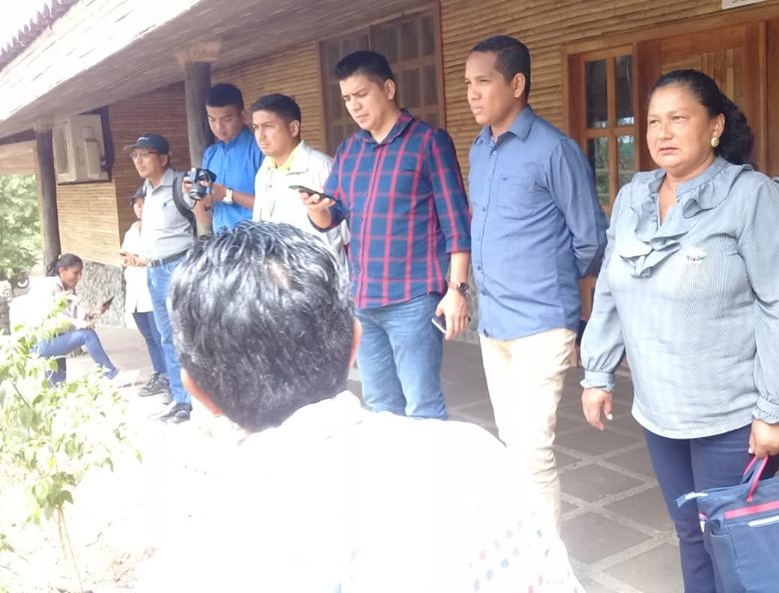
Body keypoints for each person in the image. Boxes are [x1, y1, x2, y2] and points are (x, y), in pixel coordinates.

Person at [141, 222, 582, 593]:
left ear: (198, 390)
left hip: (414, 297)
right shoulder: (477, 461)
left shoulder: (199, 546)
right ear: (355, 342)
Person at [579, 69, 779, 593]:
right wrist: (597, 372)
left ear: (715, 127)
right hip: (659, 411)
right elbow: (612, 288)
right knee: (691, 533)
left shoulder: (753, 199)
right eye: (652, 122)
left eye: (678, 118)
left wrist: (777, 410)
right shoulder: (634, 197)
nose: (662, 133)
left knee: (733, 542)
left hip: (733, 416)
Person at [465, 35, 607, 528]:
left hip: (542, 324)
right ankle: (523, 542)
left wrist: (550, 280)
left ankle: (545, 560)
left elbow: (591, 239)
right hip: (494, 323)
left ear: (517, 83)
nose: (472, 93)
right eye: (468, 83)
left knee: (533, 450)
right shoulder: (480, 150)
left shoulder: (554, 151)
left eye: (484, 81)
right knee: (511, 443)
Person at [306, 51, 471, 420]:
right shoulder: (350, 149)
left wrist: (457, 290)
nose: (354, 106)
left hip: (412, 299)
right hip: (363, 299)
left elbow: (457, 225)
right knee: (381, 408)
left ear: (389, 89)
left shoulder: (429, 142)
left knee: (423, 406)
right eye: (347, 98)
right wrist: (315, 207)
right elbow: (332, 216)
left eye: (361, 94)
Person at [127, 133, 196, 424]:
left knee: (186, 335)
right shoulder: (147, 191)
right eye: (135, 156)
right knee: (166, 337)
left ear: (164, 158)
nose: (139, 160)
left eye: (146, 154)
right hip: (153, 271)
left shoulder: (182, 185)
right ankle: (181, 399)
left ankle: (196, 399)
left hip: (179, 267)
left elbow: (204, 217)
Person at [249, 93, 348, 265]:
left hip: (321, 273)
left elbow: (347, 233)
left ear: (293, 128)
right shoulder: (264, 172)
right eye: (256, 128)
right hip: (276, 273)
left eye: (268, 126)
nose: (260, 135)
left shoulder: (322, 167)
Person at [31, 254, 118, 383]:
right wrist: (79, 323)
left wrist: (93, 312)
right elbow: (50, 316)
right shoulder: (48, 286)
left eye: (80, 273)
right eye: (75, 273)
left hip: (55, 338)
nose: (79, 277)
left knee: (57, 386)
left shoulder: (66, 290)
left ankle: (56, 390)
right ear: (62, 271)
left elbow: (75, 316)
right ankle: (111, 374)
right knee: (87, 335)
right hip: (40, 343)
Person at [190, 83, 263, 233]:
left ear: (243, 116)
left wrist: (227, 194)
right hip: (221, 242)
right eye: (212, 120)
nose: (218, 127)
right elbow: (206, 220)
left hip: (254, 242)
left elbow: (274, 207)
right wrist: (195, 193)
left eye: (226, 119)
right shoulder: (211, 154)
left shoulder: (259, 149)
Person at [121, 191, 168, 399]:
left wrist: (141, 261)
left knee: (161, 337)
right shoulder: (132, 231)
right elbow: (125, 255)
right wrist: (128, 260)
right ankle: (159, 373)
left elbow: (163, 257)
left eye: (143, 204)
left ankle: (170, 378)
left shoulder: (159, 229)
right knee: (149, 337)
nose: (140, 208)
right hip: (135, 291)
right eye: (136, 204)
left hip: (152, 291)